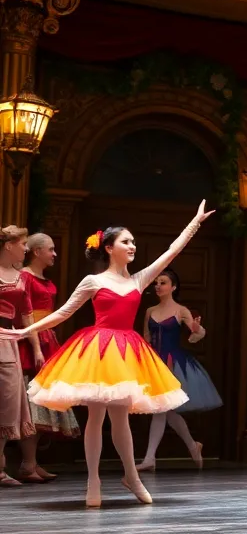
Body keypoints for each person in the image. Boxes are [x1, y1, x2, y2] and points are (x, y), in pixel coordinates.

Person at [5, 205, 211, 507]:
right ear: (109, 247)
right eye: (126, 241)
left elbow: (171, 252)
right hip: (97, 351)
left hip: (127, 352)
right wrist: (25, 332)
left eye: (133, 242)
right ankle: (94, 480)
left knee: (120, 418)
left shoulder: (139, 279)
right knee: (97, 416)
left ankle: (132, 476)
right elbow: (63, 313)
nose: (132, 246)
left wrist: (194, 223)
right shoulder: (94, 282)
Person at [138, 267, 219, 471]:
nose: (158, 285)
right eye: (156, 282)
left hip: (173, 365)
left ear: (173, 287)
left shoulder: (181, 310)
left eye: (163, 282)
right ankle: (193, 446)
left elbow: (198, 333)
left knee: (162, 409)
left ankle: (149, 458)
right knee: (167, 410)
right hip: (155, 363)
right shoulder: (150, 311)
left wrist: (196, 329)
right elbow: (146, 339)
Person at [19, 233, 80, 479]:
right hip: (32, 340)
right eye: (51, 250)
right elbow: (27, 313)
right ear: (37, 252)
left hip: (48, 339)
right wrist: (35, 347)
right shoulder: (25, 277)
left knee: (45, 403)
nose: (55, 254)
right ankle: (28, 463)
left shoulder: (45, 280)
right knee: (31, 404)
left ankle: (31, 462)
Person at [0, 226, 39, 486]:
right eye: (23, 243)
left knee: (7, 403)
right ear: (8, 245)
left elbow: (27, 315)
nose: (25, 248)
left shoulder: (21, 277)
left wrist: (36, 348)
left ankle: (0, 468)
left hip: (7, 340)